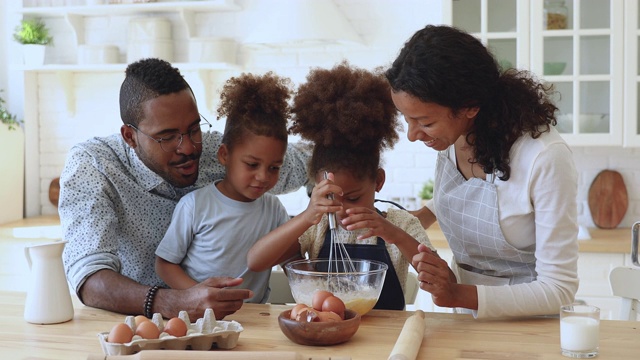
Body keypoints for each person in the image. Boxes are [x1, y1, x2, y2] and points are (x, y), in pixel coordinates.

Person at [59, 58, 309, 321]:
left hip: (238, 323)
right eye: (167, 137)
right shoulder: (94, 165)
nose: (188, 148)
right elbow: (90, 280)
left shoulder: (224, 152)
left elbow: (312, 164)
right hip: (138, 327)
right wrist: (176, 302)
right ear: (130, 137)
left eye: (193, 129)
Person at [385, 25, 579, 318]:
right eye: (406, 118)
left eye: (424, 122)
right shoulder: (452, 138)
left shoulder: (544, 158)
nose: (412, 135)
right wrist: (417, 217)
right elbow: (469, 194)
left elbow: (558, 290)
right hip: (463, 317)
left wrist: (456, 294)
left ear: (470, 108)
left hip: (531, 325)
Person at [247, 62, 435, 310]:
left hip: (386, 337)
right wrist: (307, 216)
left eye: (354, 198)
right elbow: (256, 260)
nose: (343, 209)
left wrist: (394, 234)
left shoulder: (401, 225)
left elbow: (439, 278)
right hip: (327, 332)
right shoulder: (316, 227)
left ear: (378, 181)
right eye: (331, 197)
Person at [155, 72, 293, 304]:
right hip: (201, 318)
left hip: (255, 320)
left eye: (274, 167)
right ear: (224, 155)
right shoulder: (195, 205)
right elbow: (165, 264)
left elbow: (291, 260)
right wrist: (199, 295)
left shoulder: (274, 209)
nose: (263, 177)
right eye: (252, 164)